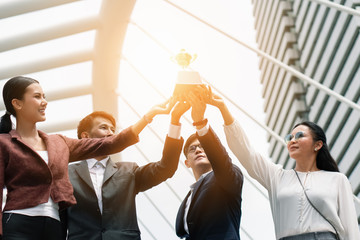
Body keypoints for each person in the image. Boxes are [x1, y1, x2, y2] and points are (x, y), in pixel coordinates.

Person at [0, 76, 177, 240]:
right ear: (17, 103)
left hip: (52, 226)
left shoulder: (59, 143)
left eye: (44, 96)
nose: (45, 102)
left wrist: (149, 117)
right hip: (18, 222)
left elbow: (114, 143)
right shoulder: (4, 143)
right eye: (37, 96)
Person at [202, 86, 360, 240]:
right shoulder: (277, 177)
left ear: (317, 145)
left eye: (299, 136)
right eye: (289, 138)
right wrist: (223, 108)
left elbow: (350, 229)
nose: (292, 141)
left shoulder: (337, 180)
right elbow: (246, 152)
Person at [62, 103, 189, 240]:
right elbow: (58, 221)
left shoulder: (129, 171)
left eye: (112, 129)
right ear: (86, 136)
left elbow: (166, 168)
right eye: (104, 128)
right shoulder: (65, 174)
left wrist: (175, 121)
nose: (111, 133)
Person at [175, 92, 243, 240]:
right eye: (192, 149)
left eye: (202, 147)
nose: (198, 150)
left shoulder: (227, 178)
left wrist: (200, 122)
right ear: (187, 162)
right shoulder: (187, 199)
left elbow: (221, 161)